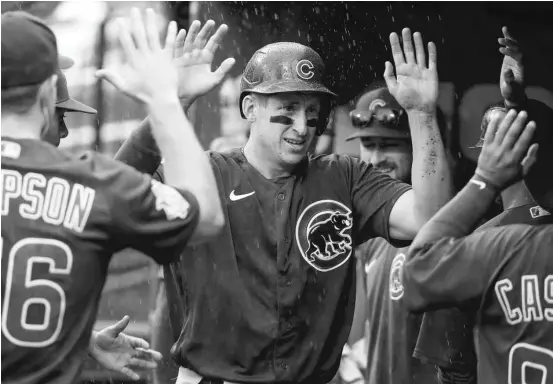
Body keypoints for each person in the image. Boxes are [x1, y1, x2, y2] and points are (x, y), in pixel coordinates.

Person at [115, 25, 453, 384]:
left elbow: (427, 218)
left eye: (312, 111)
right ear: (250, 108)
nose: (302, 125)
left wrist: (421, 114)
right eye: (287, 108)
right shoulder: (203, 173)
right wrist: (172, 104)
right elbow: (114, 195)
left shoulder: (345, 177)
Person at [1, 8, 223, 384]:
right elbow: (205, 218)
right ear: (45, 92)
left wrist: (74, 334)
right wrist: (164, 100)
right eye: (62, 116)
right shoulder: (86, 183)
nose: (65, 132)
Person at [413, 27, 553, 384]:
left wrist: (484, 179)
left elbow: (453, 368)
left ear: (489, 157)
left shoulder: (486, 243)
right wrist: (517, 103)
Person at [339, 84, 448, 384]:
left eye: (389, 145)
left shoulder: (458, 229)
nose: (374, 159)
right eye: (368, 144)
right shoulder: (373, 234)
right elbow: (379, 330)